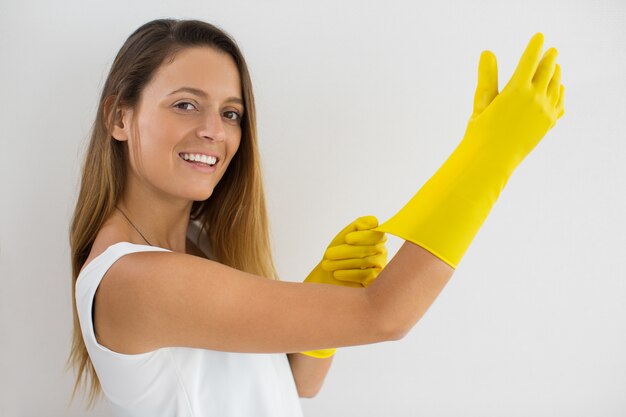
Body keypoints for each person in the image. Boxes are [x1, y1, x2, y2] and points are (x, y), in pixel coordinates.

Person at [66, 18, 564, 417]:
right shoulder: (134, 279)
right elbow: (385, 317)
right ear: (119, 118)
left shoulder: (200, 244)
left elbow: (298, 383)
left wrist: (325, 287)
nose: (213, 131)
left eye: (231, 113)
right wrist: (490, 159)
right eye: (185, 104)